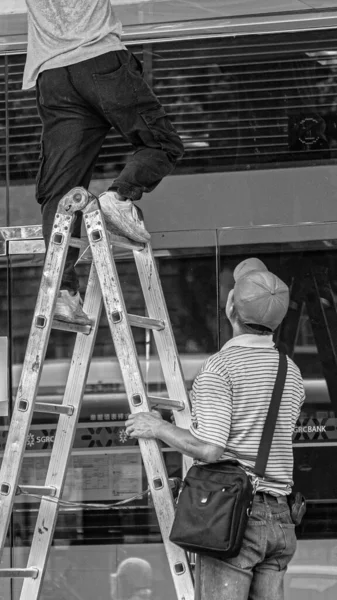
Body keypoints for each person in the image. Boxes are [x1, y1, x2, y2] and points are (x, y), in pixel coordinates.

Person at [126, 257, 305, 600]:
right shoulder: (291, 371)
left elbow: (210, 448)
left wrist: (156, 427)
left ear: (230, 308)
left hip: (236, 517)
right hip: (281, 518)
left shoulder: (220, 369)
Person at [23, 0, 184, 325]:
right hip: (99, 59)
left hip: (52, 75)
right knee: (162, 143)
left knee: (59, 189)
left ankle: (61, 294)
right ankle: (119, 196)